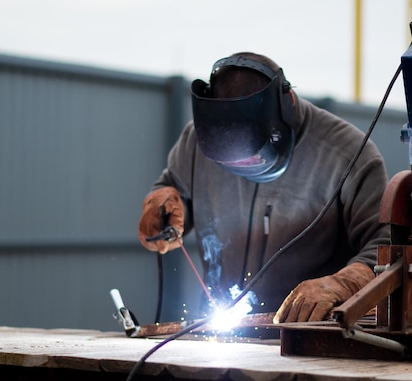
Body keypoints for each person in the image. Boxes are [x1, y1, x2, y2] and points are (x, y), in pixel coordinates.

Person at [138, 52, 390, 323]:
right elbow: (176, 187)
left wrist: (345, 283)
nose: (245, 171)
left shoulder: (348, 153)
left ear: (287, 104)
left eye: (253, 158)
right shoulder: (195, 141)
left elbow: (385, 244)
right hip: (220, 327)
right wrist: (166, 202)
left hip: (307, 331)